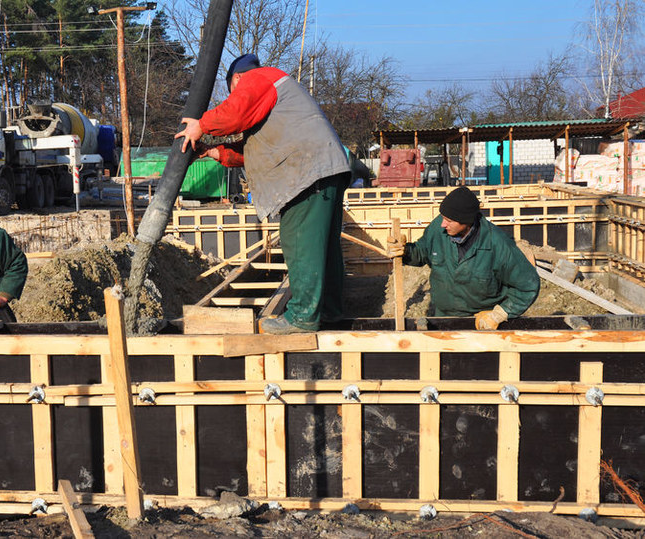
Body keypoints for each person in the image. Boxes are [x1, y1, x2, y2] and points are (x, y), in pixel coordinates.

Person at [175, 53, 351, 335]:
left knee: (300, 244)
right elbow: (255, 149)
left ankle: (302, 318)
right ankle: (327, 312)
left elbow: (234, 113)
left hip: (306, 174)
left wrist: (201, 125)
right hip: (324, 170)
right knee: (323, 250)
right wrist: (214, 151)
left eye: (234, 91)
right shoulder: (277, 93)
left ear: (236, 80)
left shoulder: (257, 78)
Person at [386, 186, 540, 329]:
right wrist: (405, 251)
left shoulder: (498, 245)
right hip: (443, 320)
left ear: (466, 221)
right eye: (443, 217)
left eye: (449, 220)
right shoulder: (438, 229)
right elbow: (421, 252)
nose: (442, 224)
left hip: (482, 324)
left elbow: (528, 285)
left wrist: (499, 314)